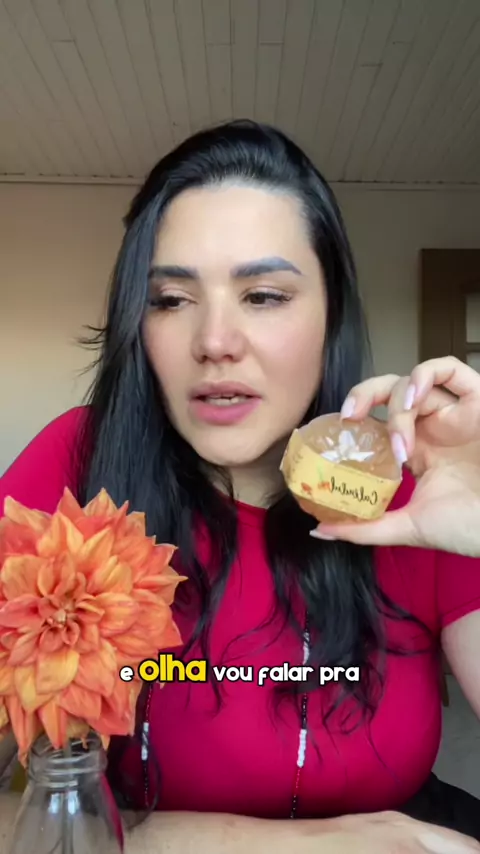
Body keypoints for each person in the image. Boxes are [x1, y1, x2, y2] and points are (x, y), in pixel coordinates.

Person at [1, 121, 480, 854]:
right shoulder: (76, 464)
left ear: (332, 315)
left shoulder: (419, 494)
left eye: (263, 295)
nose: (215, 341)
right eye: (170, 299)